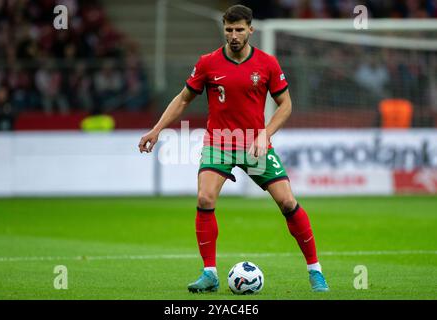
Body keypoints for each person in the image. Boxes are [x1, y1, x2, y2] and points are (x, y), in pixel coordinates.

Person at [138, 5, 329, 293]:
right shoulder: (208, 63)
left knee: (288, 203)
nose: (234, 35)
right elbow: (182, 99)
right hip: (219, 143)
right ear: (224, 30)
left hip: (255, 143)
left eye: (240, 29)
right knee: (204, 198)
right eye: (229, 29)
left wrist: (266, 134)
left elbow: (286, 105)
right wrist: (156, 129)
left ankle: (315, 271)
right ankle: (210, 273)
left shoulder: (267, 63)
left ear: (251, 30)